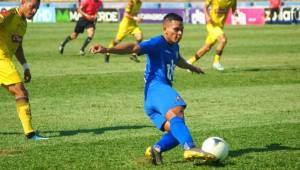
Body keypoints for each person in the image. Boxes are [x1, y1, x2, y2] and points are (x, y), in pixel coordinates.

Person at [90, 13, 216, 165]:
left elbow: (177, 59)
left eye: (182, 30)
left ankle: (155, 149)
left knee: (177, 130)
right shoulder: (157, 42)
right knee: (178, 111)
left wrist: (191, 67)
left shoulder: (174, 46)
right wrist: (107, 49)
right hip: (157, 89)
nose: (180, 33)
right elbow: (133, 47)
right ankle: (190, 148)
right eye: (176, 29)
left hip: (151, 98)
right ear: (165, 30)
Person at [0, 0, 48, 140]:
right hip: (1, 59)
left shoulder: (23, 24)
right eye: (32, 6)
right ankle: (30, 133)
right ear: (23, 2)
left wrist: (26, 67)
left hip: (5, 59)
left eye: (37, 8)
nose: (34, 11)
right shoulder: (9, 15)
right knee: (21, 91)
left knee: (20, 92)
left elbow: (18, 46)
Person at [187, 0, 237, 71]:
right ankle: (216, 62)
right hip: (212, 24)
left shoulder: (233, 0)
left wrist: (235, 13)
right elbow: (205, 7)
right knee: (223, 40)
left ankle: (189, 62)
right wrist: (207, 16)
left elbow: (234, 9)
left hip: (220, 26)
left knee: (206, 48)